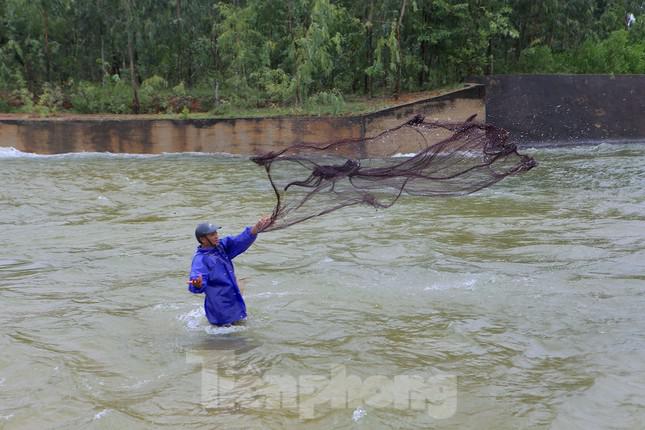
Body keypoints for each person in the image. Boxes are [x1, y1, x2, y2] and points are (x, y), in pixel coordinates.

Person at [188, 216, 272, 326]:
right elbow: (196, 282)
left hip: (234, 301)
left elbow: (240, 240)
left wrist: (256, 228)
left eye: (216, 233)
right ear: (203, 239)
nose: (216, 236)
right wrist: (197, 285)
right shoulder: (200, 259)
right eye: (212, 235)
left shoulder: (221, 247)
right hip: (220, 308)